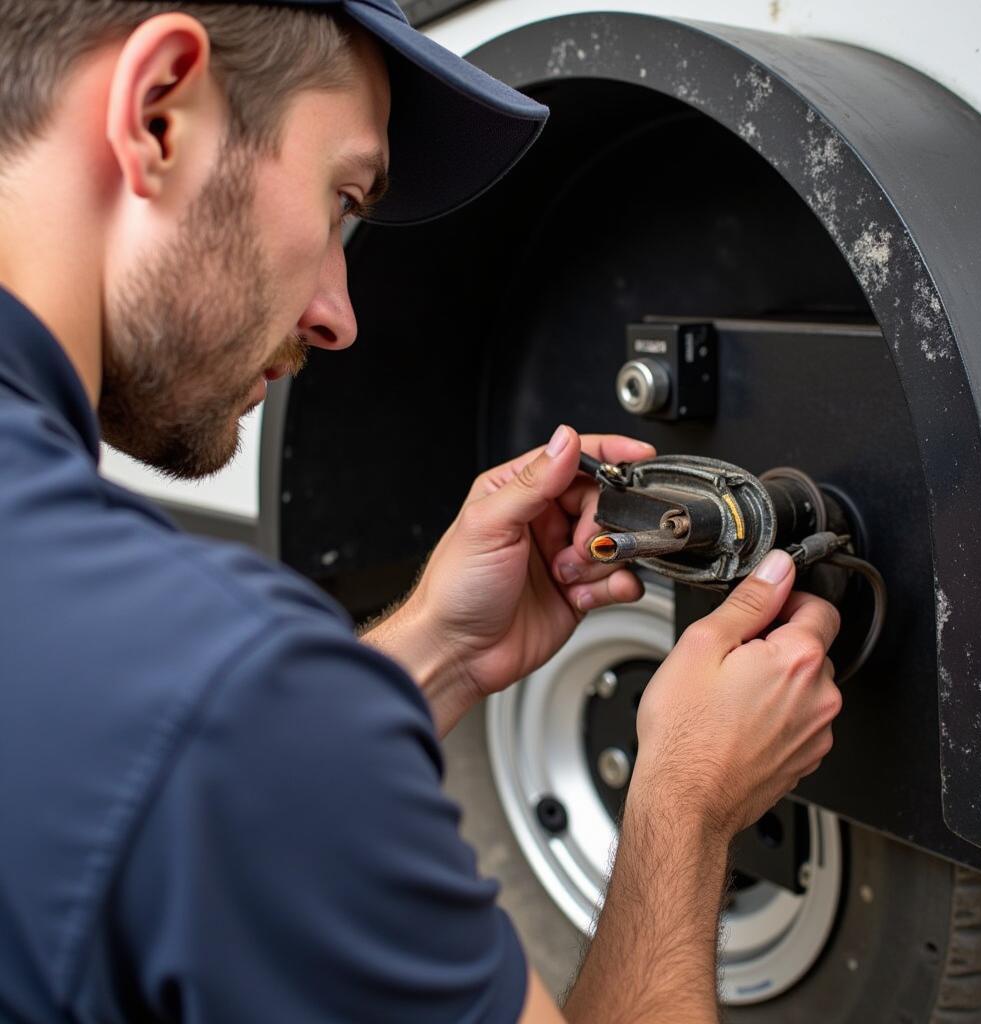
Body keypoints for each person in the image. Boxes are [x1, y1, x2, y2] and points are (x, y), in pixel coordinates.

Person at [0, 1, 842, 1021]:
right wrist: (683, 809)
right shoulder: (223, 701)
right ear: (160, 112)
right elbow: (212, 744)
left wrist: (437, 651)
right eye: (342, 199)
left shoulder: (144, 681)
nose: (338, 315)